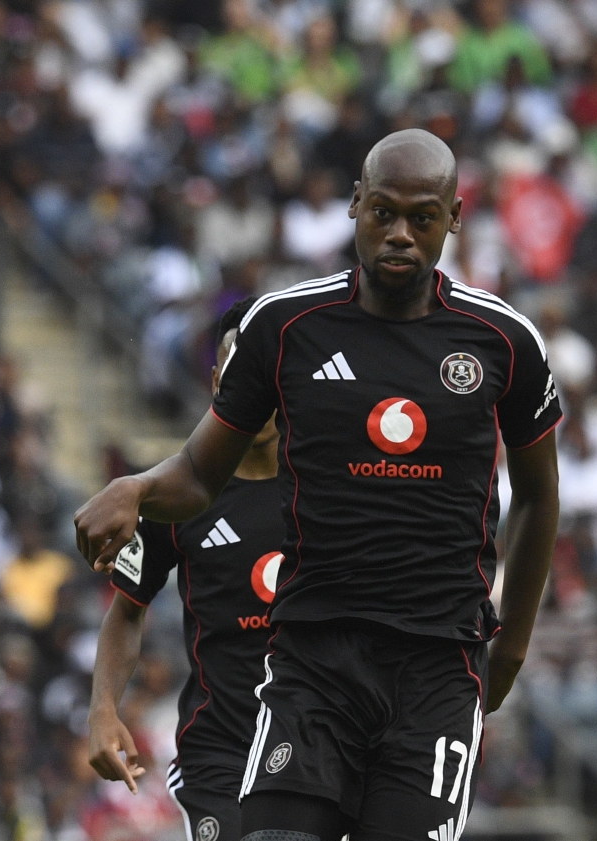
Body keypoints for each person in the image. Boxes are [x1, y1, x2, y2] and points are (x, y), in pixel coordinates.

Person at [74, 129, 562, 840]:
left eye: (422, 217)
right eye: (383, 212)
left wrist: (511, 644)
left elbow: (540, 498)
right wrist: (135, 488)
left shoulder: (504, 341)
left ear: (454, 217)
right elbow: (197, 474)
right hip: (313, 659)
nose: (400, 234)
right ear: (355, 205)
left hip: (437, 664)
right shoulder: (285, 326)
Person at [87, 297, 283, 841]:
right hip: (217, 755)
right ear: (218, 379)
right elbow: (127, 611)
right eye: (238, 372)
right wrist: (103, 708)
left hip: (318, 750)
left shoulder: (329, 489)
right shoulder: (170, 496)